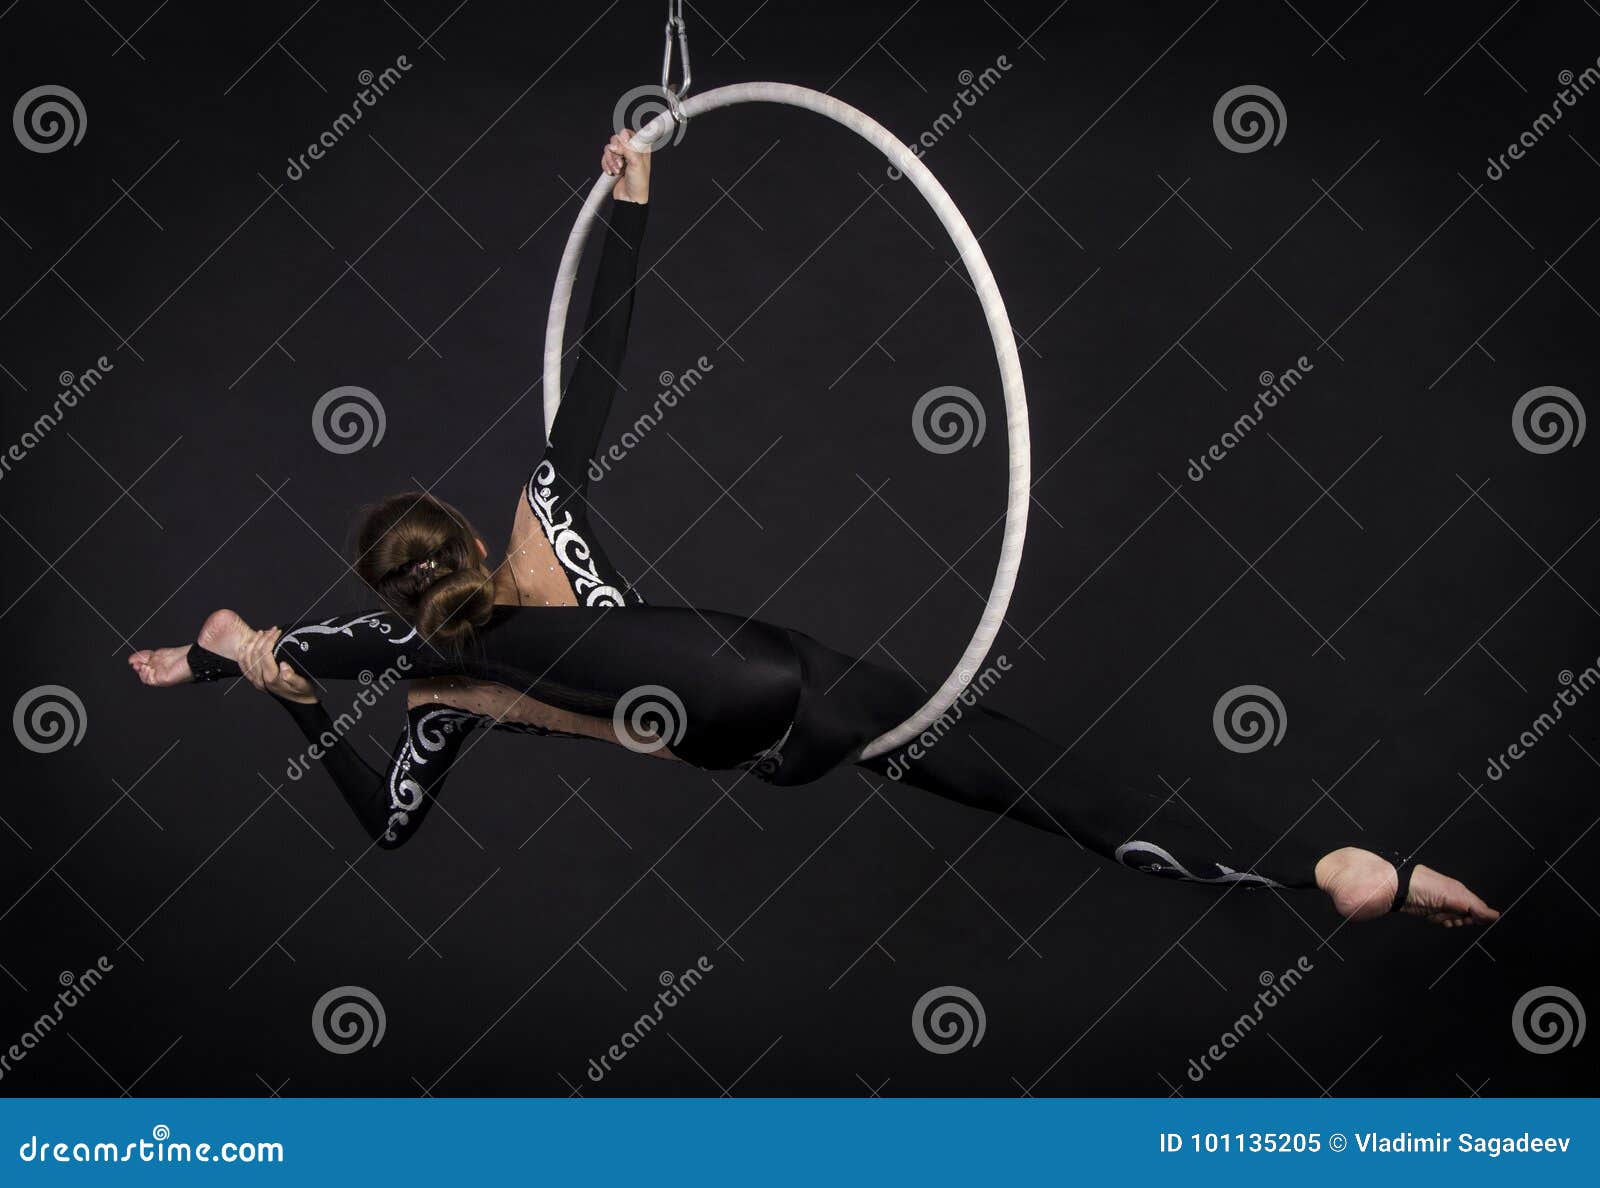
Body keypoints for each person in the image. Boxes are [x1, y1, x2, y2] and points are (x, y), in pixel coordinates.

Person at [128, 132, 1498, 929]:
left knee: (455, 661)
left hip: (760, 743)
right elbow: (596, 370)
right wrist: (640, 195)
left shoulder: (426, 678)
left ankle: (1324, 871)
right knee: (1030, 779)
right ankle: (1321, 860)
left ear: (398, 587)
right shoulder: (537, 530)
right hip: (779, 668)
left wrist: (268, 687)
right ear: (465, 546)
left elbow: (390, 827)